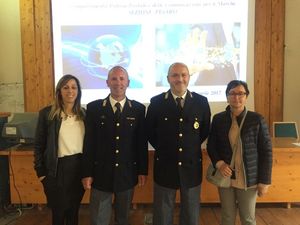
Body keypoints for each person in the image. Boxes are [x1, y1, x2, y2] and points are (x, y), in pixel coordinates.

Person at [81, 65, 148, 225]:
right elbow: (89, 143)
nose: (118, 82)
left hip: (127, 172)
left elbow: (140, 143)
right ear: (107, 82)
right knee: (98, 219)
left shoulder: (138, 109)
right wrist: (86, 172)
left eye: (122, 78)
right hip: (100, 173)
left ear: (128, 82)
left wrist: (142, 171)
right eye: (114, 79)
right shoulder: (94, 108)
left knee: (123, 218)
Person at [146, 62, 211, 225]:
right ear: (168, 79)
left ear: (189, 77)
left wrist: (188, 148)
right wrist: (165, 148)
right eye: (175, 75)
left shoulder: (201, 102)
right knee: (162, 212)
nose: (179, 79)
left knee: (191, 213)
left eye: (183, 75)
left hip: (191, 166)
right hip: (165, 166)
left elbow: (203, 132)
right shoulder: (157, 102)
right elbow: (150, 132)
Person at [206, 80, 272, 225]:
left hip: (249, 179)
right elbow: (211, 146)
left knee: (248, 218)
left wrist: (265, 181)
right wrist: (220, 164)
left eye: (241, 93)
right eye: (232, 93)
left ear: (246, 96)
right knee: (227, 217)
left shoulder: (257, 119)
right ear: (227, 96)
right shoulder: (218, 119)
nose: (237, 97)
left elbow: (266, 151)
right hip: (226, 176)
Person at [34, 74, 85, 225]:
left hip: (78, 168)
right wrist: (41, 173)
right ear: (59, 92)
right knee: (59, 212)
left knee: (74, 210)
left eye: (74, 87)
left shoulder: (84, 115)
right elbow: (39, 144)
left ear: (78, 91)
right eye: (66, 87)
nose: (70, 91)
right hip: (57, 170)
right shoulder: (47, 115)